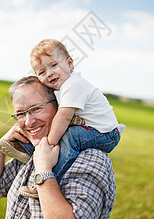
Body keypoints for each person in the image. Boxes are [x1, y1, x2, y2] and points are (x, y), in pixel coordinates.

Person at [0, 76, 116, 218]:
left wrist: (44, 170)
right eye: (20, 114)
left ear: (59, 106)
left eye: (36, 108)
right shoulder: (35, 151)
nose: (29, 122)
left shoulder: (92, 159)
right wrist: (2, 146)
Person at [17, 39, 125, 197]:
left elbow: (63, 117)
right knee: (56, 129)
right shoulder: (61, 88)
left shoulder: (73, 85)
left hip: (107, 134)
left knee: (69, 137)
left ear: (70, 63)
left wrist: (50, 143)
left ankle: (48, 180)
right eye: (41, 72)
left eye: (54, 65)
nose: (49, 73)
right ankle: (25, 148)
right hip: (94, 129)